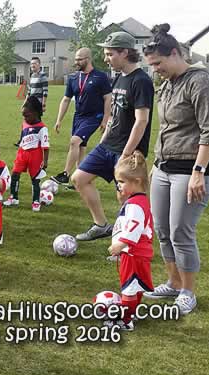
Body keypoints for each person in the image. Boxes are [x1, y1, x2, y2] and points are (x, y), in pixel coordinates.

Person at [141, 24, 209, 315]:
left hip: (190, 169)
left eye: (158, 63)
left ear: (174, 53)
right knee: (162, 229)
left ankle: (187, 291)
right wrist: (154, 165)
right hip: (164, 166)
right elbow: (166, 129)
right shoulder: (167, 84)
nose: (155, 69)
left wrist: (198, 171)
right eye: (152, 65)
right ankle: (172, 281)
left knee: (181, 231)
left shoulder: (200, 81)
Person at [72, 32, 154, 241]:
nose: (106, 58)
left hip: (127, 150)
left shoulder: (141, 81)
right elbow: (115, 113)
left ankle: (127, 242)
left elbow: (142, 120)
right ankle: (101, 225)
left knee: (127, 197)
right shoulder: (118, 77)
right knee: (79, 178)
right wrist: (103, 139)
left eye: (110, 54)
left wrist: (127, 153)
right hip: (107, 145)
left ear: (125, 52)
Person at [51, 48, 112, 187]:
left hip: (94, 117)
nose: (76, 62)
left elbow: (108, 98)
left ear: (88, 59)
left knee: (74, 141)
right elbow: (66, 99)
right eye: (76, 59)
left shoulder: (100, 77)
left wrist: (105, 119)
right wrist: (59, 120)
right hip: (78, 117)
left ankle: (65, 175)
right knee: (80, 147)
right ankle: (79, 178)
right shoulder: (73, 78)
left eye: (79, 59)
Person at [107, 152, 153, 331]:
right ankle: (132, 313)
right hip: (140, 253)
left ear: (137, 181)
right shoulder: (139, 200)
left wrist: (120, 244)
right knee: (136, 285)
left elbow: (134, 228)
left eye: (122, 182)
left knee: (128, 288)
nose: (118, 186)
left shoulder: (135, 205)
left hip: (133, 253)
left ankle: (124, 321)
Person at [4, 97, 50, 212]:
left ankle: (35, 201)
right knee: (15, 174)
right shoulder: (25, 124)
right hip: (22, 153)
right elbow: (22, 136)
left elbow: (46, 147)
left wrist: (45, 161)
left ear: (36, 113)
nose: (25, 118)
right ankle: (13, 197)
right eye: (23, 116)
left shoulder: (42, 128)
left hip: (35, 155)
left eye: (27, 115)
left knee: (35, 179)